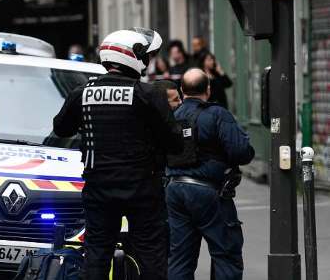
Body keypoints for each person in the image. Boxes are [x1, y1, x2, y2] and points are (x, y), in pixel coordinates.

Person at [53, 28, 183, 280]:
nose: (147, 61)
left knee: (97, 254)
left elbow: (61, 128)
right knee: (151, 254)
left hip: (99, 188)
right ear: (132, 56)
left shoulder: (82, 92)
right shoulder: (148, 94)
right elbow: (175, 142)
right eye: (145, 56)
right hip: (143, 189)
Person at [166, 69, 254, 280]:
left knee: (179, 258)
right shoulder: (217, 114)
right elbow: (241, 152)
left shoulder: (171, 117)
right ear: (208, 89)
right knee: (226, 254)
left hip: (175, 190)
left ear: (182, 90)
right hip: (209, 192)